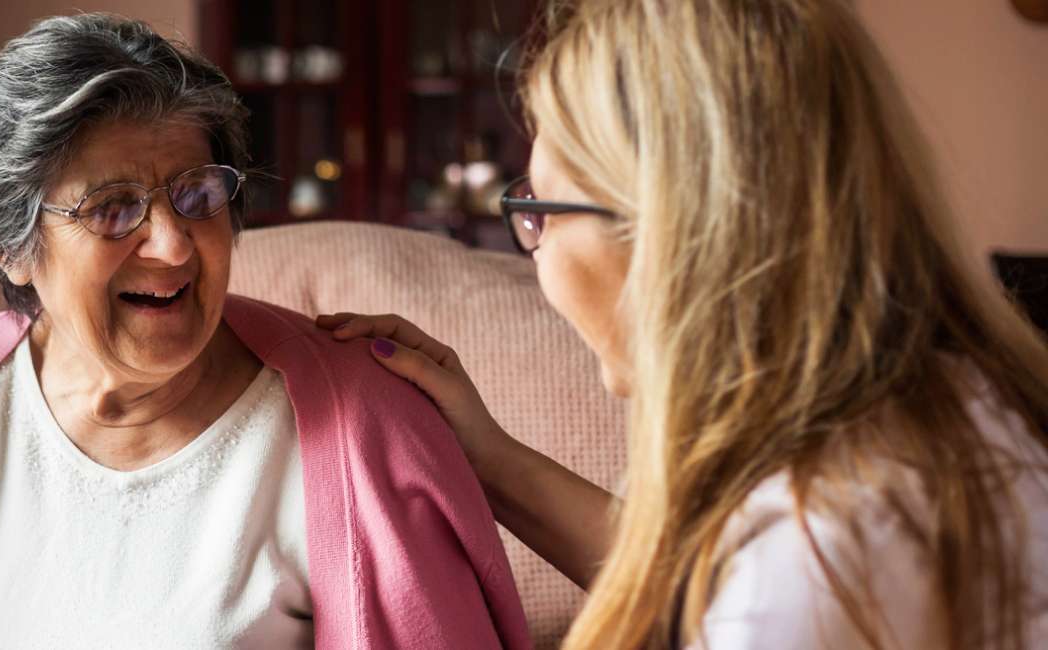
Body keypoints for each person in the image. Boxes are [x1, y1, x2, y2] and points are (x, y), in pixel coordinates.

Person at [0, 14, 529, 650]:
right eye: (112, 207)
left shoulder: (361, 430)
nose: (173, 243)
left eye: (197, 194)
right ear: (12, 249)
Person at [319, 0, 1048, 647]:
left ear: (669, 232)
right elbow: (694, 577)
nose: (535, 248)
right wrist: (488, 456)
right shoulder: (948, 412)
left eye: (539, 212)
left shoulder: (817, 554)